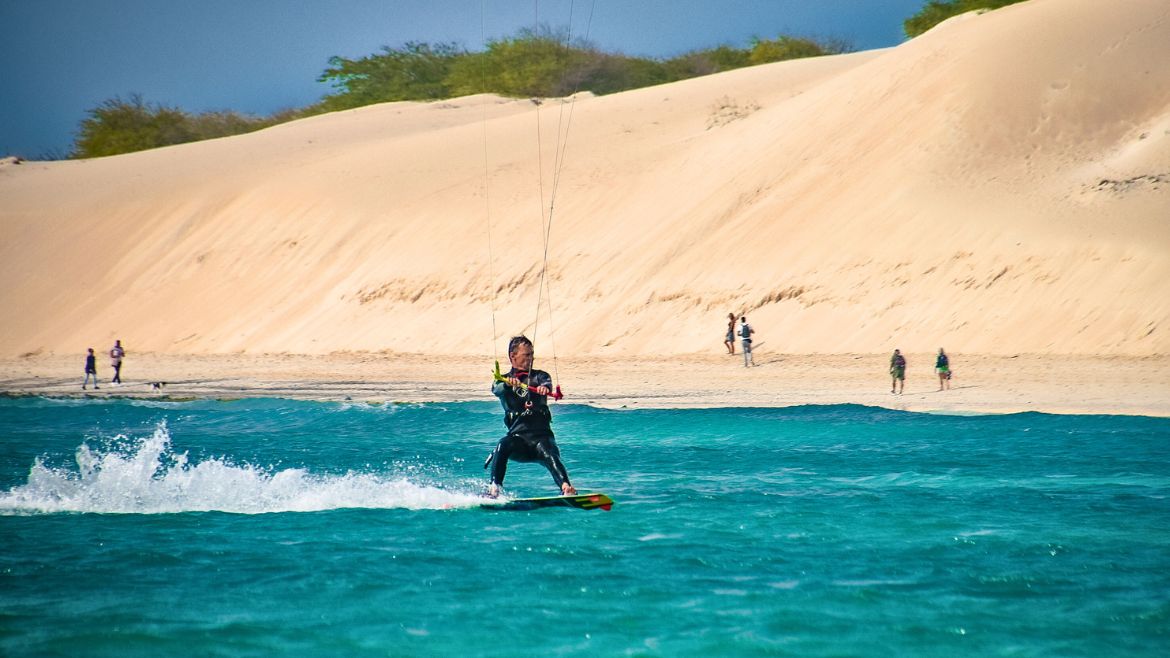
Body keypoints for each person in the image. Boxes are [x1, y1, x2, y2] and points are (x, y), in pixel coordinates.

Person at [484, 335, 575, 498]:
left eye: (532, 354)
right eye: (527, 355)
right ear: (513, 356)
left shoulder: (541, 376)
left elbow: (547, 384)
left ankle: (566, 487)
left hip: (542, 438)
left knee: (551, 454)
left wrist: (543, 389)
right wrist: (507, 383)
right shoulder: (503, 381)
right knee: (503, 445)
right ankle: (494, 489)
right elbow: (496, 389)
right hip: (519, 440)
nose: (531, 358)